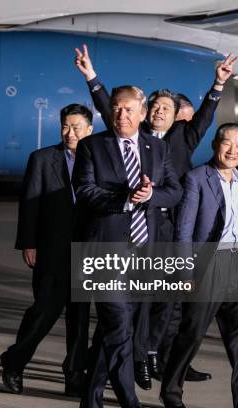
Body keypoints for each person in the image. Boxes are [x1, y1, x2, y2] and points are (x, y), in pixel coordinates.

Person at [75, 45, 237, 388]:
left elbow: (206, 117)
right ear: (146, 113)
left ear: (177, 115)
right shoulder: (136, 135)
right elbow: (112, 109)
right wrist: (92, 78)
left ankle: (153, 358)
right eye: (157, 107)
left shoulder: (182, 138)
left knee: (164, 302)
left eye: (168, 108)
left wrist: (217, 86)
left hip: (165, 227)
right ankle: (124, 364)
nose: (161, 112)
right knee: (122, 308)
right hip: (127, 228)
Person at [72, 85, 182, 408]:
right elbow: (85, 192)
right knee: (119, 328)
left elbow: (174, 190)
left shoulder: (156, 149)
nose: (122, 115)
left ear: (142, 113)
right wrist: (123, 199)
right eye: (117, 109)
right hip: (105, 251)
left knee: (115, 331)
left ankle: (90, 400)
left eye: (129, 110)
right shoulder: (92, 146)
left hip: (142, 253)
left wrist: (150, 196)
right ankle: (129, 402)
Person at [160, 123, 238, 408]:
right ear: (215, 145)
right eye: (227, 143)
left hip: (236, 266)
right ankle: (170, 392)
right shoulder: (197, 178)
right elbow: (183, 231)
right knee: (191, 335)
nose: (233, 150)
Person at [0, 104, 94, 397]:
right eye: (66, 126)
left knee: (79, 318)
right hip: (51, 248)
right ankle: (14, 361)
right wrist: (28, 243)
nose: (70, 132)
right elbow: (30, 203)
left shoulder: (100, 160)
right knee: (43, 311)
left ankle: (75, 375)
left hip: (88, 249)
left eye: (77, 127)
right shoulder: (42, 159)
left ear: (90, 129)